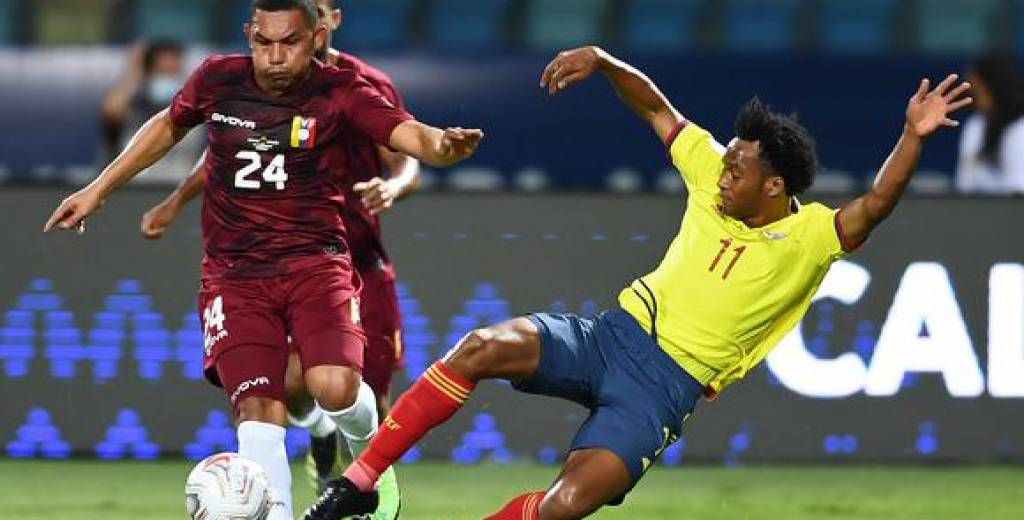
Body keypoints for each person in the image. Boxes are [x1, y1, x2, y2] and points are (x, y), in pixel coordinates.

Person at [301, 46, 971, 520]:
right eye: (726, 160)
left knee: (564, 505)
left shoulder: (810, 238)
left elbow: (875, 205)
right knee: (479, 346)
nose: (722, 171)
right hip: (608, 336)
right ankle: (360, 482)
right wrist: (602, 60)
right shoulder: (711, 174)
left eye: (737, 169)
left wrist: (912, 136)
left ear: (773, 187)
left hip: (662, 392)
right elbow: (657, 109)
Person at [43, 1, 482, 519]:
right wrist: (98, 190)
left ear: (316, 37)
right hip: (234, 277)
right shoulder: (217, 79)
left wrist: (443, 147)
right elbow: (167, 126)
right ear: (249, 34)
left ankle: (373, 467)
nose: (275, 57)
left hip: (316, 265)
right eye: (263, 43)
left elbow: (410, 136)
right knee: (257, 411)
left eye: (289, 43)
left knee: (334, 388)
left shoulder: (341, 91)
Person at [137, 0, 419, 513]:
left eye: (312, 15)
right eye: (267, 36)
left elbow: (407, 157)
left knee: (353, 390)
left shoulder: (361, 86)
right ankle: (314, 440)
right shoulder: (242, 86)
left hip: (350, 256)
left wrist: (394, 187)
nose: (280, 44)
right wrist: (175, 201)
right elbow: (230, 151)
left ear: (326, 24)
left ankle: (369, 475)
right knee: (277, 393)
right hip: (263, 263)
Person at [100, 39, 205, 184]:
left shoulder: (195, 106)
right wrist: (134, 72)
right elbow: (112, 111)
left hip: (179, 183)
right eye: (161, 71)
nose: (167, 76)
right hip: (138, 186)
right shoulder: (135, 104)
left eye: (172, 72)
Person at [956, 52, 1024, 194]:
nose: (974, 97)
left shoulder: (1020, 129)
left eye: (978, 91)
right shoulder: (975, 125)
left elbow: (1018, 190)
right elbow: (964, 184)